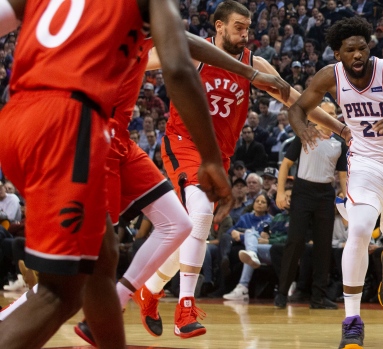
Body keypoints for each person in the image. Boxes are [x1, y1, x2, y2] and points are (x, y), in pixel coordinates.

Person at [0, 0, 231, 348]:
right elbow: (180, 66)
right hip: (68, 124)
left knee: (103, 254)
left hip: (16, 118)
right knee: (60, 292)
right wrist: (211, 157)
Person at [131, 0, 346, 339]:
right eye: (238, 28)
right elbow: (135, 60)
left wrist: (341, 128)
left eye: (248, 28)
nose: (246, 35)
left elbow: (297, 100)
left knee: (190, 230)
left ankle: (151, 289)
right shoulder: (193, 52)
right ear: (218, 26)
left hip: (219, 158)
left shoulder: (253, 64)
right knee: (200, 214)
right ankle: (185, 305)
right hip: (183, 142)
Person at [287, 17, 383, 349]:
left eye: (362, 48)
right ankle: (352, 322)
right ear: (338, 53)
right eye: (350, 49)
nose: (357, 54)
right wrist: (302, 129)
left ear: (369, 47)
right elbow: (297, 108)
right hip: (366, 164)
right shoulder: (331, 77)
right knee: (358, 230)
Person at [273, 100, 348, 309]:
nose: (332, 115)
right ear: (317, 116)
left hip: (325, 193)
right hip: (302, 191)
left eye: (334, 112)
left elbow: (343, 176)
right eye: (328, 112)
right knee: (295, 242)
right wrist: (280, 192)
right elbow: (286, 165)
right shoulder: (304, 135)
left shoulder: (339, 144)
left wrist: (347, 199)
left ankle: (318, 297)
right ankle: (281, 293)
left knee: (323, 247)